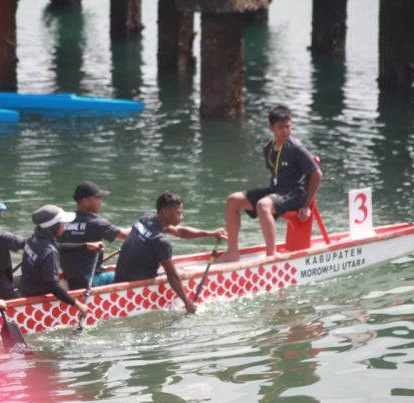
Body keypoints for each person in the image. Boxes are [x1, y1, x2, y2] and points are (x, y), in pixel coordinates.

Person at [219, 104, 322, 262]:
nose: (285, 131)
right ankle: (233, 252)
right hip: (276, 191)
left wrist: (306, 205)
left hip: (295, 193)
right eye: (280, 127)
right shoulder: (268, 148)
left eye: (288, 126)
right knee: (233, 200)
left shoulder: (296, 148)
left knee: (263, 205)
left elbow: (316, 174)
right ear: (271, 128)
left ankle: (271, 256)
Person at [114, 192, 227, 314]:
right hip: (138, 287)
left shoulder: (144, 219)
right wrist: (187, 302)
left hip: (119, 277)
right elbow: (172, 276)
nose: (182, 217)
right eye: (178, 213)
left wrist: (210, 233)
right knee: (175, 274)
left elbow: (180, 232)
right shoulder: (161, 241)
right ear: (166, 212)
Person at [19, 205, 90, 318]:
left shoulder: (34, 237)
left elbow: (57, 247)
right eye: (63, 223)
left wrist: (86, 246)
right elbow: (52, 285)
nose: (65, 225)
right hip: (37, 302)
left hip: (26, 290)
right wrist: (77, 304)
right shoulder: (50, 253)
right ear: (54, 226)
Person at [58, 181, 129, 290]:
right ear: (84, 201)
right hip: (89, 280)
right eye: (97, 198)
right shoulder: (96, 223)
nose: (100, 202)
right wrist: (147, 227)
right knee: (130, 275)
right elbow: (126, 235)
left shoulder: (64, 222)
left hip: (72, 280)